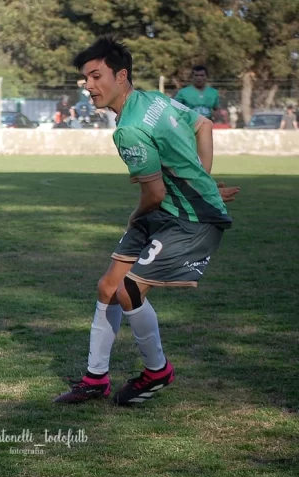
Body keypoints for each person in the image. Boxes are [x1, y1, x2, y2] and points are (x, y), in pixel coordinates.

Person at [54, 37, 240, 406]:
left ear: (121, 76)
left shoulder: (127, 130)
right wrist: (201, 178)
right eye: (85, 78)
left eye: (95, 76)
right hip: (169, 210)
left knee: (129, 290)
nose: (88, 86)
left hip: (189, 219)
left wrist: (141, 212)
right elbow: (202, 125)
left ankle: (158, 371)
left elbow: (152, 195)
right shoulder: (154, 99)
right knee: (108, 286)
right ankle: (95, 379)